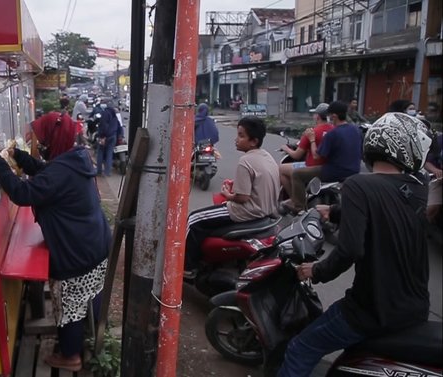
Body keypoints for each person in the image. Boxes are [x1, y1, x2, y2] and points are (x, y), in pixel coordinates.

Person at [278, 112, 432, 376]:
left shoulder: (358, 185)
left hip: (372, 310)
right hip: (415, 308)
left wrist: (315, 271)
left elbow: (349, 250)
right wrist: (336, 211)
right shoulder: (418, 187)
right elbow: (391, 206)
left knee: (301, 348)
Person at [0, 112, 110, 372]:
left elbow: (22, 192)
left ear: (53, 139)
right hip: (94, 244)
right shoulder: (76, 158)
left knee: (69, 303)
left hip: (77, 254)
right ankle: (90, 332)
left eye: (41, 140)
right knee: (89, 294)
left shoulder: (61, 171)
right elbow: (45, 172)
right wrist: (18, 157)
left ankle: (71, 356)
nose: (38, 145)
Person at [184, 116, 279, 278]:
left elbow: (242, 197)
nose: (236, 140)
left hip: (246, 211)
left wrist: (228, 194)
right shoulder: (266, 157)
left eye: (241, 136)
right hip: (265, 212)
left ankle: (186, 266)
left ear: (253, 141)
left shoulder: (245, 161)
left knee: (194, 219)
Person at [279, 103, 333, 211]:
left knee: (280, 169)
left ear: (317, 116)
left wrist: (286, 148)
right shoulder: (334, 130)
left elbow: (297, 155)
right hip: (328, 167)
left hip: (311, 167)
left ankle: (295, 200)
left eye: (314, 115)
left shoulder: (311, 132)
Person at [95, 101, 120, 176]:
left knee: (100, 152)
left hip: (105, 136)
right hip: (113, 136)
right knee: (109, 154)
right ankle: (107, 172)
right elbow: (119, 126)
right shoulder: (114, 115)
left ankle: (99, 171)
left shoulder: (105, 113)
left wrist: (102, 136)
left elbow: (103, 126)